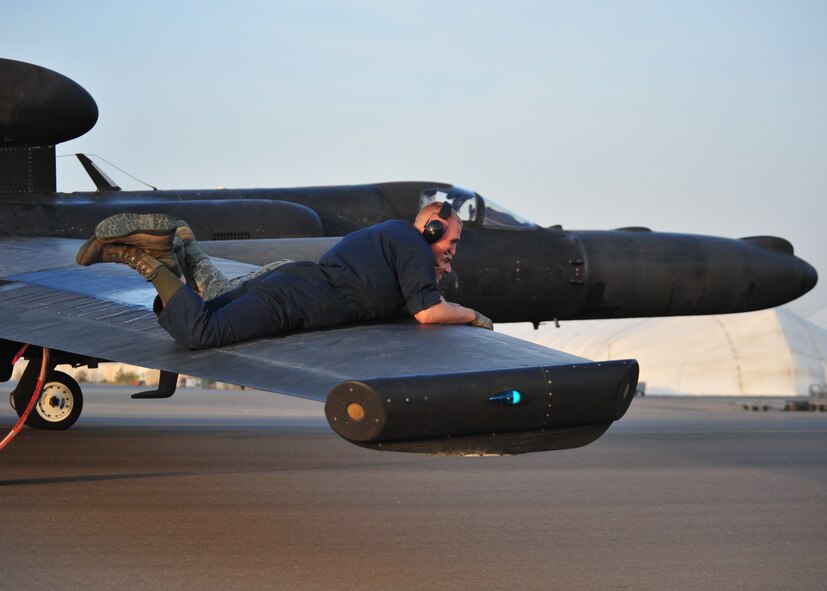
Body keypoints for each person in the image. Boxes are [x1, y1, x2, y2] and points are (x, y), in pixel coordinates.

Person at [76, 202, 493, 349]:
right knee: (203, 333)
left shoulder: (391, 235)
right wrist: (472, 314)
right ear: (433, 229)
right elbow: (428, 313)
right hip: (293, 300)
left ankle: (148, 250)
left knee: (201, 311)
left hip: (293, 282)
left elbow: (402, 303)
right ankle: (153, 262)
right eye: (451, 243)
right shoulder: (415, 246)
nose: (451, 252)